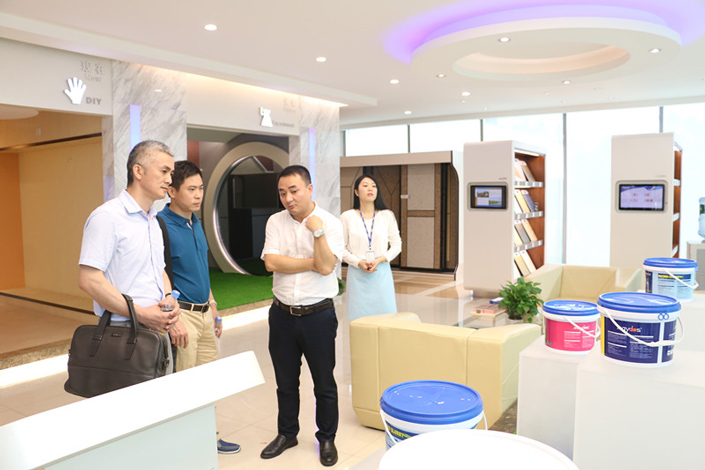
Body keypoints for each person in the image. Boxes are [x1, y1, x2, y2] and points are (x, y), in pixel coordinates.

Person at [259, 165, 344, 467]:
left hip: (318, 316)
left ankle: (327, 438)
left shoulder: (330, 223)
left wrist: (317, 232)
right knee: (285, 382)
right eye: (282, 193)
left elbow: (327, 267)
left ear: (309, 189)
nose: (288, 198)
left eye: (293, 191)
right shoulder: (275, 221)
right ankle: (287, 434)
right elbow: (271, 262)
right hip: (281, 314)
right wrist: (313, 262)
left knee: (324, 383)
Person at [157, 160, 240, 454]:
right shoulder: (160, 225)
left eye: (201, 188)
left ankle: (207, 437)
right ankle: (183, 447)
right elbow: (157, 276)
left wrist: (213, 305)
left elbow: (201, 270)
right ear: (172, 191)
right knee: (183, 386)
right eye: (191, 189)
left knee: (207, 383)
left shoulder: (195, 222)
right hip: (182, 316)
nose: (198, 195)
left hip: (205, 313)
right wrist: (172, 319)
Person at [77, 140, 183, 368]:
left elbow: (159, 269)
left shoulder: (153, 220)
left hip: (157, 328)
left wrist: (168, 298)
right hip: (123, 331)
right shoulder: (107, 217)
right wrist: (141, 314)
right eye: (164, 171)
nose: (169, 180)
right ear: (138, 171)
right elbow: (89, 280)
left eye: (171, 173)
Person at [340, 174, 401, 321]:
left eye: (374, 186)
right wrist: (358, 262)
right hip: (357, 274)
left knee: (386, 319)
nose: (370, 189)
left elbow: (397, 245)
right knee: (359, 320)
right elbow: (340, 248)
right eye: (365, 185)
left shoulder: (387, 215)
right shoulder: (347, 217)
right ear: (356, 192)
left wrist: (380, 260)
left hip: (381, 272)